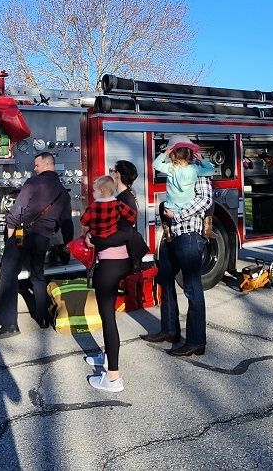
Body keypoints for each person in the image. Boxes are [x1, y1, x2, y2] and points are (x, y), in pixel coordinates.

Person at [0, 152, 74, 340]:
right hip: (43, 238)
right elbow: (67, 221)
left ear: (46, 164)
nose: (34, 169)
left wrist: (10, 228)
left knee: (8, 274)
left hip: (22, 234)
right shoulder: (62, 191)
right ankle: (42, 318)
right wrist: (68, 243)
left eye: (36, 165)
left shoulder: (33, 183)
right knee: (38, 276)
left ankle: (9, 325)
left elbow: (18, 208)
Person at [145, 173, 212, 357]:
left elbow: (205, 200)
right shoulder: (175, 172)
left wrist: (178, 215)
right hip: (172, 235)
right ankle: (170, 330)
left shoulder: (198, 171)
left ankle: (196, 341)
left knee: (192, 287)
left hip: (189, 235)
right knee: (165, 278)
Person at [81, 175, 137, 392]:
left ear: (102, 191)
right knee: (108, 318)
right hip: (122, 262)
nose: (93, 191)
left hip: (107, 265)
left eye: (95, 188)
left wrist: (92, 237)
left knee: (108, 319)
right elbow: (132, 218)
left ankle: (112, 377)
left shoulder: (95, 207)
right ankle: (106, 358)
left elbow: (84, 221)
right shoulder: (121, 205)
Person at [152, 135, 215, 241]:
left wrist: (164, 153)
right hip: (187, 206)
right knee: (211, 203)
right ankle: (207, 228)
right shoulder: (195, 169)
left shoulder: (170, 168)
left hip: (172, 208)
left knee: (162, 206)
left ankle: (167, 233)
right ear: (190, 155)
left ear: (172, 154)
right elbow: (210, 170)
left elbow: (155, 165)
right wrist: (201, 159)